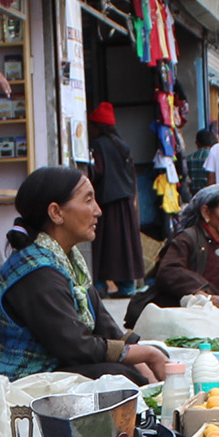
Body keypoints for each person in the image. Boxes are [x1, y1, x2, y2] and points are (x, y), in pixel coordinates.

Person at [0, 166, 170, 397]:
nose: (98, 211)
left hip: (47, 370)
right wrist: (148, 355)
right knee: (120, 379)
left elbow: (106, 327)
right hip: (7, 388)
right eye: (88, 200)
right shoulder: (37, 272)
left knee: (131, 372)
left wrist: (149, 373)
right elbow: (76, 346)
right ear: (56, 213)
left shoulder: (68, 259)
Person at [134, 183, 219, 321]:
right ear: (206, 212)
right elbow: (169, 271)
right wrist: (207, 298)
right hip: (184, 320)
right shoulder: (187, 240)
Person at [87, 103, 143, 297]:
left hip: (107, 202)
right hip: (125, 202)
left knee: (103, 244)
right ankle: (127, 286)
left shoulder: (98, 145)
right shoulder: (122, 144)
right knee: (124, 244)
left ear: (98, 126)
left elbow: (98, 171)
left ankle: (100, 285)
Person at [184, 127, 216, 194]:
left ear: (197, 143)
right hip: (210, 195)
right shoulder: (214, 158)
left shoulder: (189, 159)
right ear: (211, 142)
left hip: (194, 196)